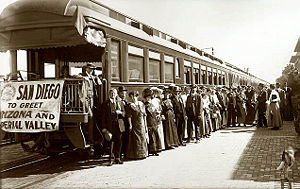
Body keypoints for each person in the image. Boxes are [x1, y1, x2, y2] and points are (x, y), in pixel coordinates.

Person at [102, 89, 125, 166]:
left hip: (119, 125)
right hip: (110, 125)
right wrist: (104, 128)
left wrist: (120, 112)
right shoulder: (106, 104)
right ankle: (111, 159)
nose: (113, 94)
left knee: (119, 141)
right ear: (109, 94)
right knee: (111, 142)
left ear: (116, 94)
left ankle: (118, 157)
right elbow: (103, 116)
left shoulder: (120, 102)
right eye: (111, 93)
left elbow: (124, 113)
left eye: (114, 93)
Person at [126, 91, 148, 159]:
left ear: (137, 96)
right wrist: (130, 125)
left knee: (142, 137)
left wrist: (145, 125)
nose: (133, 98)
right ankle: (135, 155)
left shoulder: (141, 104)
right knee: (135, 139)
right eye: (131, 97)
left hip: (141, 123)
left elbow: (144, 115)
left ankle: (143, 154)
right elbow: (129, 116)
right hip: (134, 123)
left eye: (135, 96)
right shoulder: (130, 105)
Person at [143, 88, 161, 156]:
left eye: (149, 98)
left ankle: (156, 148)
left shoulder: (152, 105)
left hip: (154, 121)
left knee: (155, 135)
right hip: (149, 121)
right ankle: (152, 150)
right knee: (151, 136)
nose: (148, 99)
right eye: (147, 98)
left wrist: (157, 114)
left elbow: (155, 112)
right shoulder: (144, 105)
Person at [118, 86, 130, 158]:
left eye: (124, 93)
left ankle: (125, 152)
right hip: (120, 121)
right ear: (119, 93)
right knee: (120, 137)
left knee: (126, 136)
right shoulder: (118, 101)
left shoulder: (125, 101)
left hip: (125, 121)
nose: (123, 94)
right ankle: (119, 153)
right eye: (122, 93)